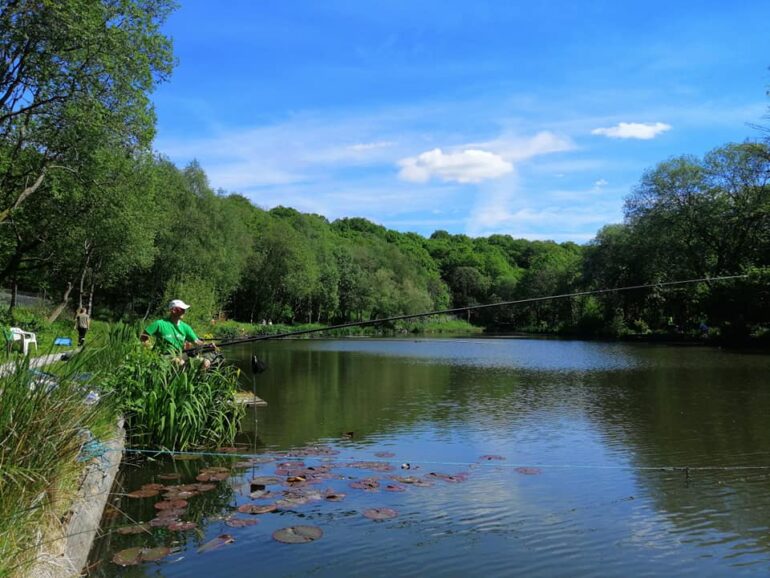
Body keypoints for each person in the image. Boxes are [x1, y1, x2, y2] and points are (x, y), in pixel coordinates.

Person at [141, 299, 215, 367]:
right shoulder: (159, 323)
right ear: (173, 310)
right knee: (180, 362)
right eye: (182, 309)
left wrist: (207, 346)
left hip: (180, 355)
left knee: (205, 362)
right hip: (164, 356)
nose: (184, 312)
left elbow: (196, 342)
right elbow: (143, 337)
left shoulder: (186, 327)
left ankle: (198, 380)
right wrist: (150, 348)